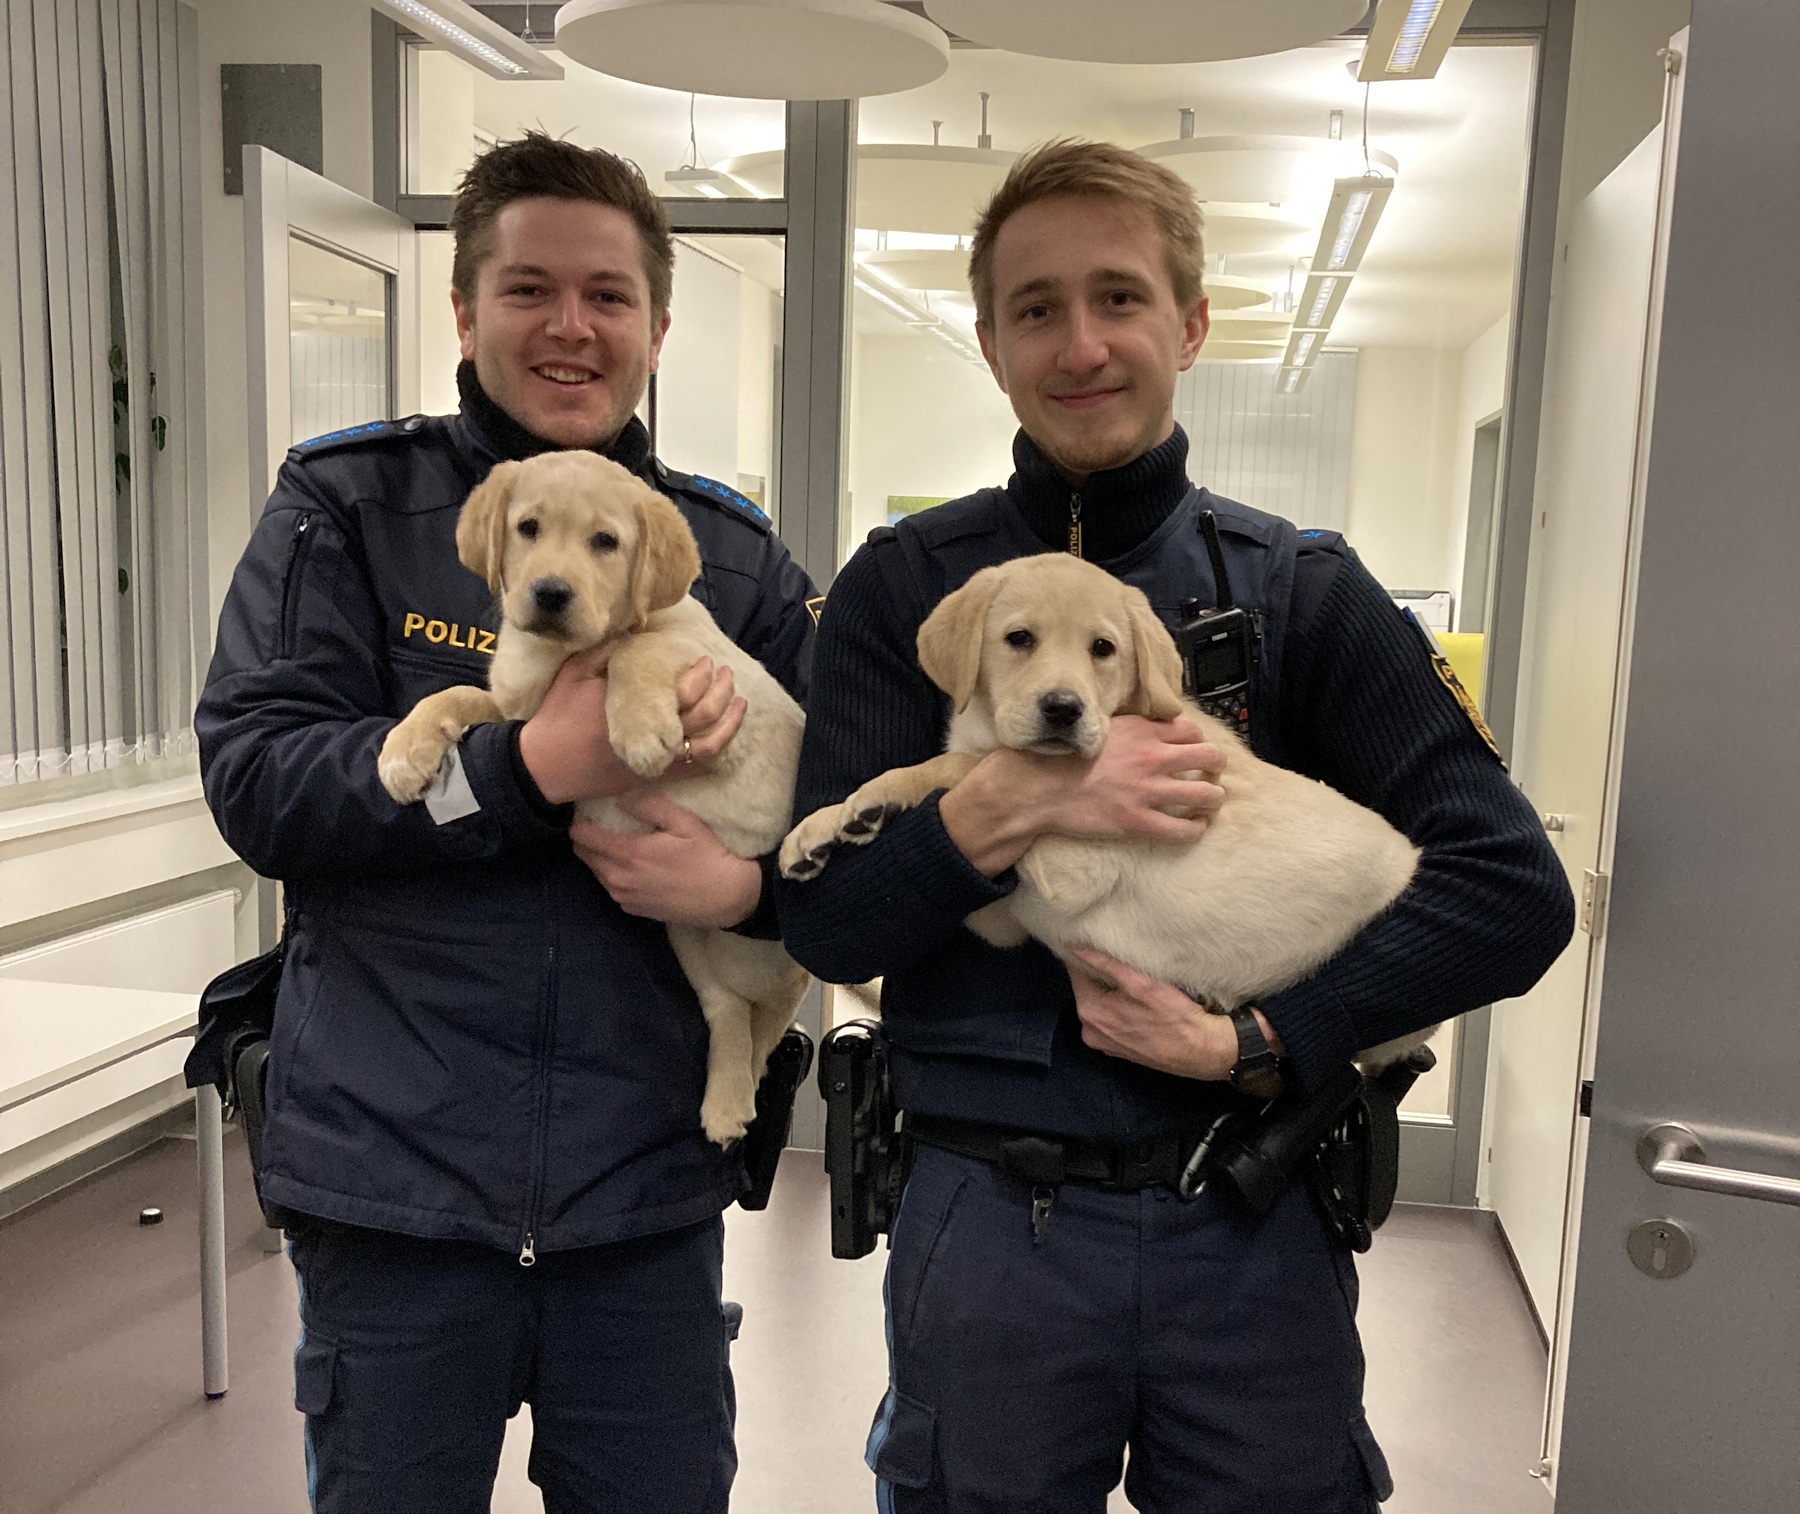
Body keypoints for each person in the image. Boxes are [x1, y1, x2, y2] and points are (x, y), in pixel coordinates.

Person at [778, 140, 1575, 1513]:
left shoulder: (1303, 594)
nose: (1081, 343)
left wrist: (1266, 1039)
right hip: (986, 1226)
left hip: (1249, 1219)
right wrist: (1022, 797)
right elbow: (827, 913)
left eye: (1120, 298)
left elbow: (1511, 890)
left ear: (1190, 323)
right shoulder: (905, 592)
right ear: (989, 341)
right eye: (1036, 308)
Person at [196, 133, 816, 1514]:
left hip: (644, 1204)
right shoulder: (349, 507)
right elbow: (260, 779)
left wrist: (751, 889)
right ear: (464, 311)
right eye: (529, 287)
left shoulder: (742, 558)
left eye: (607, 294)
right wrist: (525, 771)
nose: (571, 326)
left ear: (659, 324)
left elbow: (846, 826)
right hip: (396, 1203)